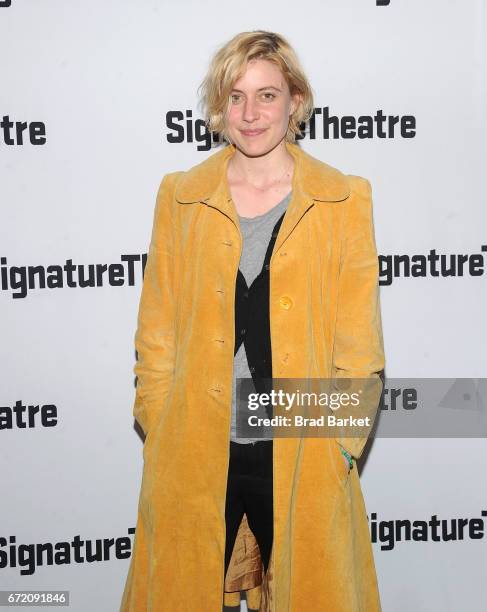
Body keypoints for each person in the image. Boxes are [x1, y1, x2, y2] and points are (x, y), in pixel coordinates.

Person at [120, 31, 385, 612]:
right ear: (219, 106)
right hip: (194, 450)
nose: (250, 113)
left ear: (296, 100)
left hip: (301, 454)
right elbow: (156, 333)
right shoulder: (181, 197)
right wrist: (160, 423)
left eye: (267, 95)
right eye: (235, 96)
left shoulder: (343, 199)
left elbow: (359, 350)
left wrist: (340, 445)